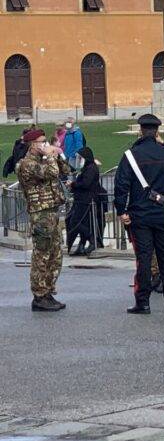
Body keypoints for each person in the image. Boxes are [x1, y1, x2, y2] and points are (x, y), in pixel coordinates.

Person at [114, 113, 164, 315]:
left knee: (144, 258)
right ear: (157, 132)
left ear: (140, 131)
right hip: (163, 213)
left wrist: (121, 211)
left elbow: (121, 186)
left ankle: (143, 302)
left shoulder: (130, 155)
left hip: (141, 215)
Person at [16, 128, 71, 311]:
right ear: (33, 145)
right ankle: (39, 295)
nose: (45, 145)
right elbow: (51, 174)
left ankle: (48, 291)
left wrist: (58, 154)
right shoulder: (27, 164)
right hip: (40, 214)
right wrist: (49, 157)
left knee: (55, 255)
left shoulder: (44, 160)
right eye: (42, 142)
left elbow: (65, 170)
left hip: (52, 212)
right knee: (42, 255)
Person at [67, 146, 101, 255]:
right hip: (82, 200)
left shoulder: (91, 168)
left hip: (87, 200)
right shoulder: (87, 168)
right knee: (80, 222)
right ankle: (82, 244)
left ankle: (92, 239)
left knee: (76, 222)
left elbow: (86, 183)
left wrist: (73, 184)